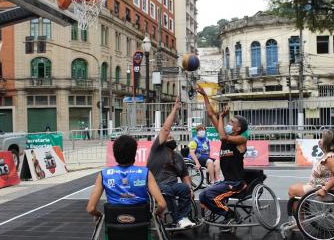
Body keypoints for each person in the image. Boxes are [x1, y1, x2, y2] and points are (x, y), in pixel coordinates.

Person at [196, 84, 249, 226]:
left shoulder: (241, 140)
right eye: (228, 121)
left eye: (232, 122)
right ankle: (227, 213)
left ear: (238, 129)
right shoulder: (225, 134)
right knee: (202, 195)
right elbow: (211, 114)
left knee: (211, 196)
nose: (228, 123)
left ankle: (230, 215)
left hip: (237, 184)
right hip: (227, 182)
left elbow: (223, 137)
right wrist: (205, 96)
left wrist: (221, 117)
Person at [86, 135, 166, 218]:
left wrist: (100, 216)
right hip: (141, 223)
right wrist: (156, 214)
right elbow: (162, 205)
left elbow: (90, 209)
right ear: (135, 153)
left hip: (114, 224)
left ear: (114, 154)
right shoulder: (145, 173)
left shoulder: (103, 174)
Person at [147, 97, 195, 229]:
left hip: (173, 184)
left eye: (172, 137)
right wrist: (175, 109)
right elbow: (166, 129)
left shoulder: (177, 156)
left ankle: (183, 217)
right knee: (167, 191)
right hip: (157, 185)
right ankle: (179, 219)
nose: (170, 137)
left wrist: (190, 188)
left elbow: (184, 175)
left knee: (185, 189)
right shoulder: (157, 149)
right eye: (168, 137)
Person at [288, 129, 334, 201]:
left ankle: (298, 212)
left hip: (321, 189)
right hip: (317, 186)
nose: (319, 140)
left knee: (292, 190)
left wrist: (325, 189)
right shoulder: (330, 155)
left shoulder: (330, 158)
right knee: (298, 186)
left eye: (322, 138)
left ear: (328, 142)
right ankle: (302, 211)